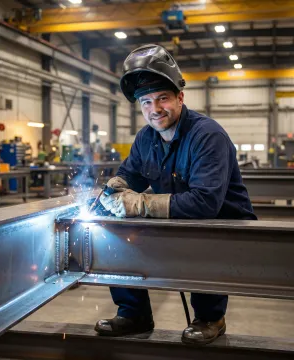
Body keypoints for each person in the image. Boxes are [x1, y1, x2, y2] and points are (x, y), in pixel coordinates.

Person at [95, 44, 257, 345]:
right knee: (112, 231)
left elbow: (206, 204)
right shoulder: (146, 137)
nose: (154, 110)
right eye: (146, 102)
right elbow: (130, 173)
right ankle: (134, 314)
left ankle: (211, 317)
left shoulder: (207, 135)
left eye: (162, 99)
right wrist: (111, 190)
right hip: (176, 217)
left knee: (204, 237)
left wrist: (138, 203)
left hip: (223, 223)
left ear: (180, 97)